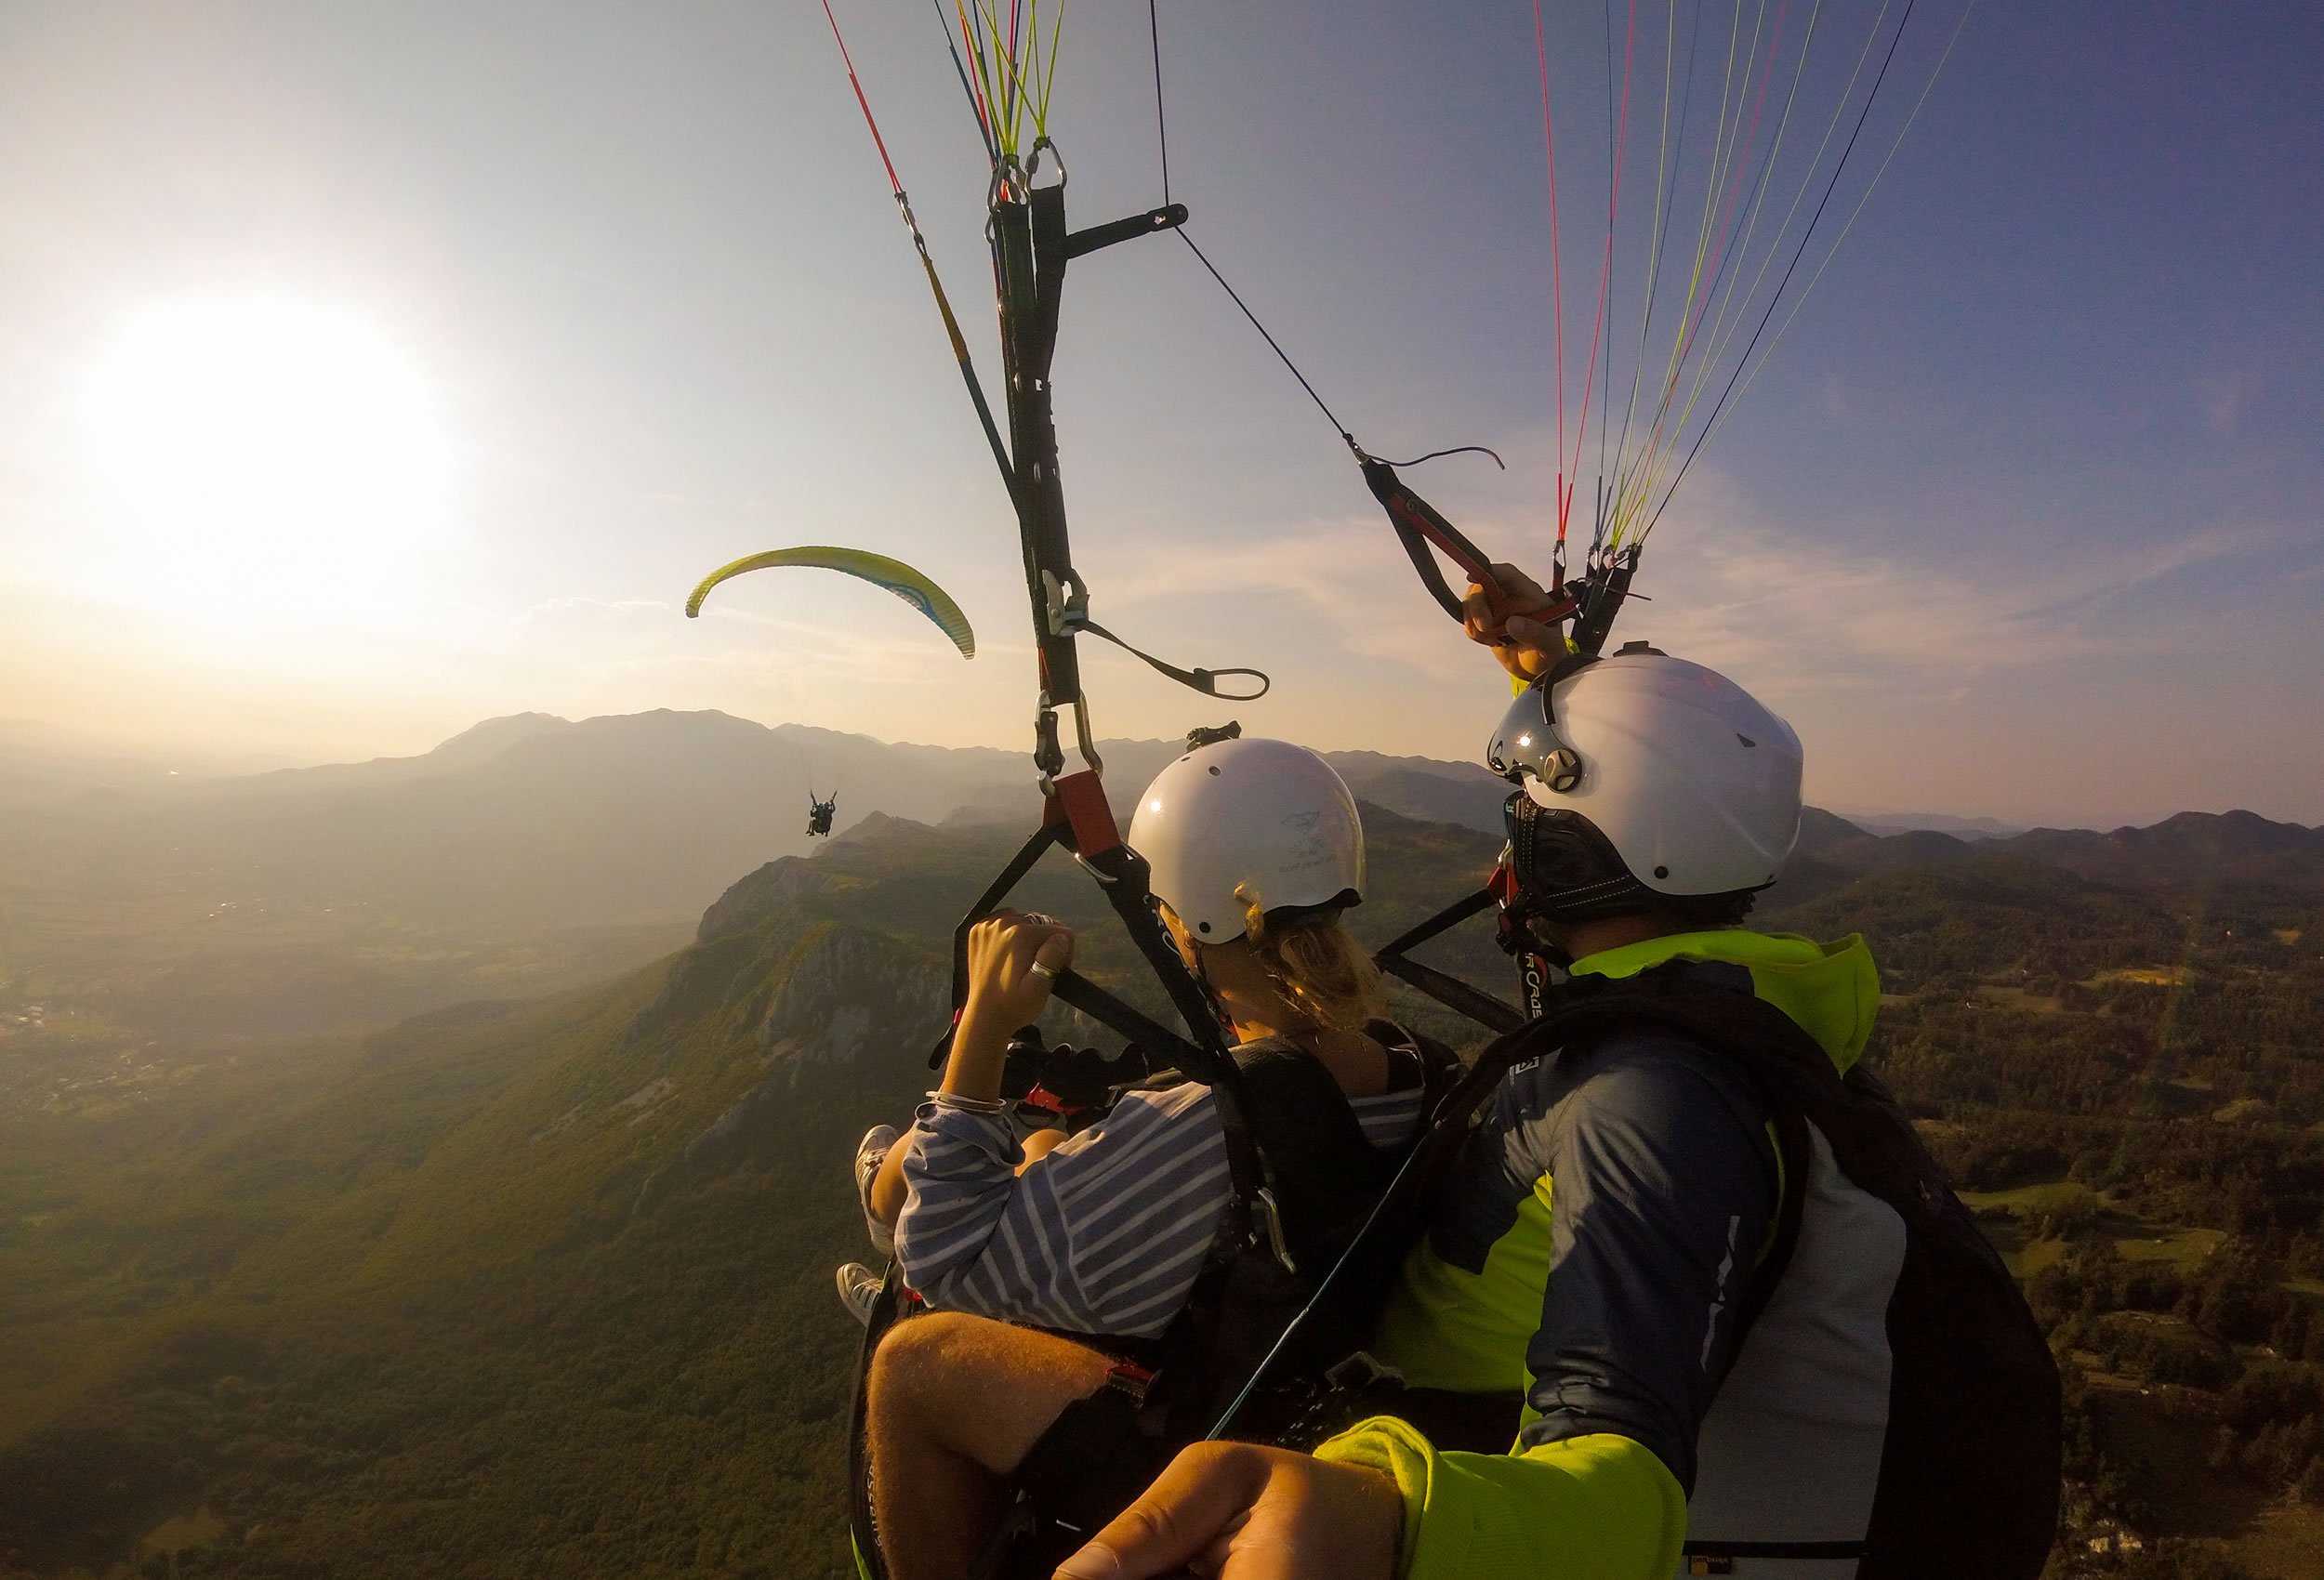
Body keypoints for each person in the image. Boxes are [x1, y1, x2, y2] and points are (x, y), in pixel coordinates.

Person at [1045, 565, 2055, 1580]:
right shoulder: (1735, 1011)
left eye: (1525, 815)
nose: (1512, 843)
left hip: (1420, 1442)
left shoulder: (1651, 1097)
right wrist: (1564, 683)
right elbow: (1652, 817)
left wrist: (1382, 1515)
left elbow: (1617, 1473)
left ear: (1571, 858)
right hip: (1421, 1403)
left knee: (968, 1371)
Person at [846, 737, 1455, 1580]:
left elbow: (945, 1256)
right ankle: (922, 1186)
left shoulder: (1205, 1125)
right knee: (1046, 1145)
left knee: (913, 1362)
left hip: (1204, 1433)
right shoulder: (1408, 1063)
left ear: (1185, 923)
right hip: (1303, 1366)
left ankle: (889, 1204)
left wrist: (982, 1024)